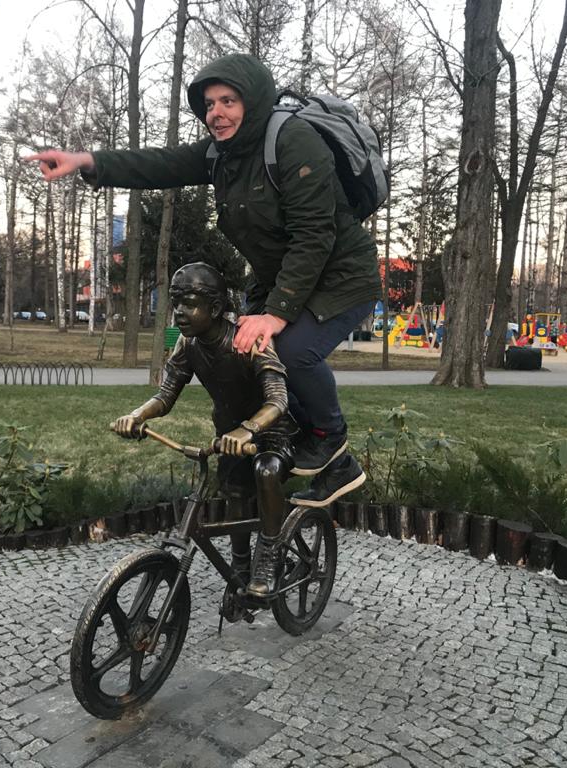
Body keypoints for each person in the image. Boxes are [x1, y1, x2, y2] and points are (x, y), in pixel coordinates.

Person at [29, 53, 377, 507]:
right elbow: (162, 164)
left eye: (228, 101)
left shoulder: (294, 140)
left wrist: (274, 315)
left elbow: (314, 235)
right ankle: (289, 451)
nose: (216, 113)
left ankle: (332, 443)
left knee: (290, 352)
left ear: (253, 101)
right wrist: (87, 161)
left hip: (341, 276)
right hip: (284, 280)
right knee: (243, 358)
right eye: (209, 104)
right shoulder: (221, 155)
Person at [113, 263, 296, 597]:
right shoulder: (188, 344)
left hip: (271, 432)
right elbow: (166, 395)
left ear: (214, 308)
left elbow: (278, 400)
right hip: (228, 437)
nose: (179, 311)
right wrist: (137, 415)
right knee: (235, 493)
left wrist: (248, 430)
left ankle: (270, 554)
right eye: (176, 303)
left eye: (190, 303)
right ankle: (241, 567)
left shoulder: (248, 340)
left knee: (266, 470)